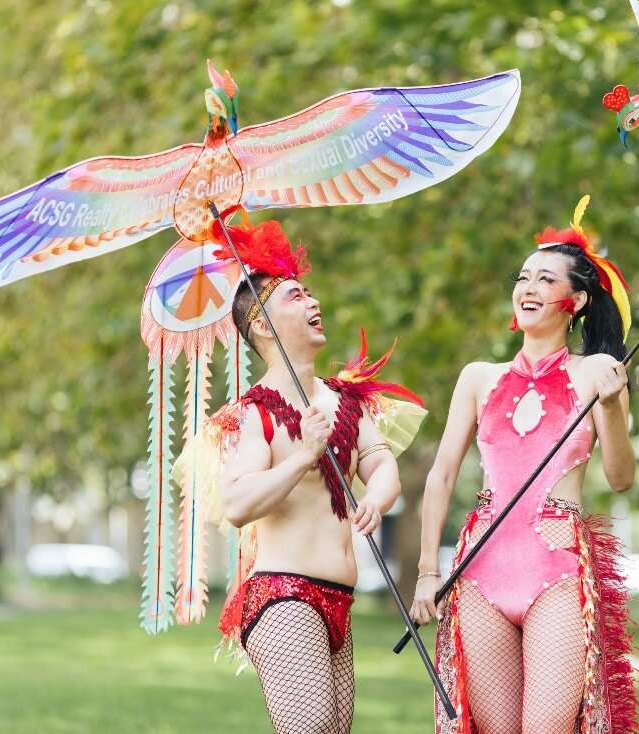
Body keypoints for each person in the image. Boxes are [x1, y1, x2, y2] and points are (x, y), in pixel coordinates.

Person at [410, 198, 639, 733]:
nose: (528, 288)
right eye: (523, 278)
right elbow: (442, 474)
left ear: (576, 300)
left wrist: (610, 406)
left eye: (544, 280)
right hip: (480, 570)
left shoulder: (599, 373)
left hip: (556, 568)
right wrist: (427, 574)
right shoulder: (476, 377)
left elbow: (622, 478)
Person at [188, 218, 425, 733]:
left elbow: (382, 464)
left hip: (339, 598)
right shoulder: (255, 413)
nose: (313, 302)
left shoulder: (347, 402)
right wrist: (300, 458)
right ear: (262, 326)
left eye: (310, 293)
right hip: (284, 594)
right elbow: (236, 504)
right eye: (296, 296)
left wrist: (377, 500)